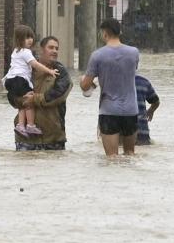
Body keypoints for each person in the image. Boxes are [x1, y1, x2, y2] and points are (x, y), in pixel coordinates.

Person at [80, 18, 140, 156]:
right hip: (131, 110)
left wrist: (82, 80)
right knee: (130, 154)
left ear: (104, 33)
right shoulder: (134, 53)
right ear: (120, 32)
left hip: (109, 111)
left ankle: (112, 179)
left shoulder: (97, 56)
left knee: (111, 157)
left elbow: (85, 86)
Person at [13, 36, 73, 151]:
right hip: (25, 139)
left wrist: (33, 99)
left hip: (53, 138)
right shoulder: (25, 69)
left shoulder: (61, 73)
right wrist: (22, 100)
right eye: (51, 47)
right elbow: (12, 95)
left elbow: (57, 96)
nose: (54, 51)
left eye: (57, 48)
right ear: (41, 49)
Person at [4, 25, 58, 137]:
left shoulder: (15, 51)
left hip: (10, 80)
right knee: (29, 101)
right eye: (26, 37)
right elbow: (35, 64)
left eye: (31, 37)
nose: (30, 40)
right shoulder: (26, 52)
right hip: (19, 79)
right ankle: (30, 125)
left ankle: (20, 125)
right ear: (19, 39)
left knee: (22, 103)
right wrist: (49, 71)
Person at [134, 74, 160, 145]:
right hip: (142, 129)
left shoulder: (113, 80)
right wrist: (151, 111)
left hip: (120, 130)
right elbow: (156, 102)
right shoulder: (143, 82)